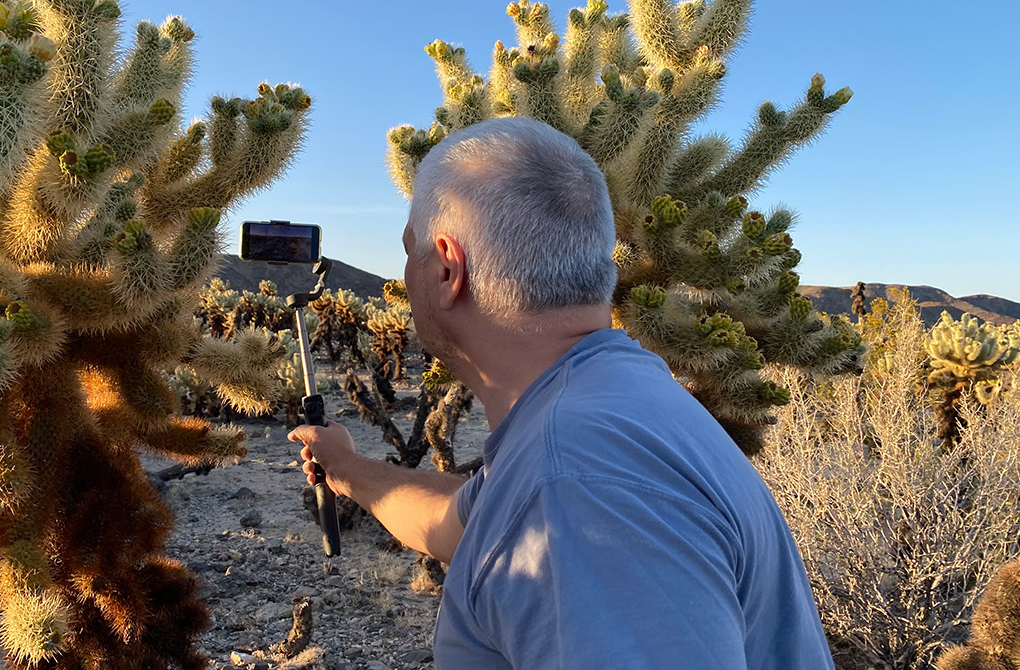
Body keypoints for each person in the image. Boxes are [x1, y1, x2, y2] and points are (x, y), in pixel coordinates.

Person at [288, 117, 834, 669]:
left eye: (412, 250)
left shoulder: (578, 477)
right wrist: (345, 469)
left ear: (449, 268)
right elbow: (462, 523)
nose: (406, 272)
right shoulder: (610, 398)